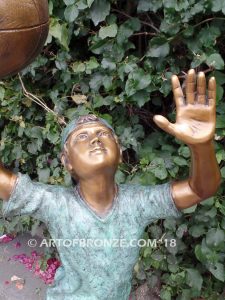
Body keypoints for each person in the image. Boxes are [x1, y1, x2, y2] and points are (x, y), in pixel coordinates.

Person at [0, 69, 221, 300]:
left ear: (119, 153)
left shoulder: (137, 203)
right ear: (67, 162)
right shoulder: (57, 205)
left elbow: (200, 189)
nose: (95, 139)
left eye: (103, 134)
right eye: (82, 137)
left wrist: (202, 146)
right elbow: (6, 183)